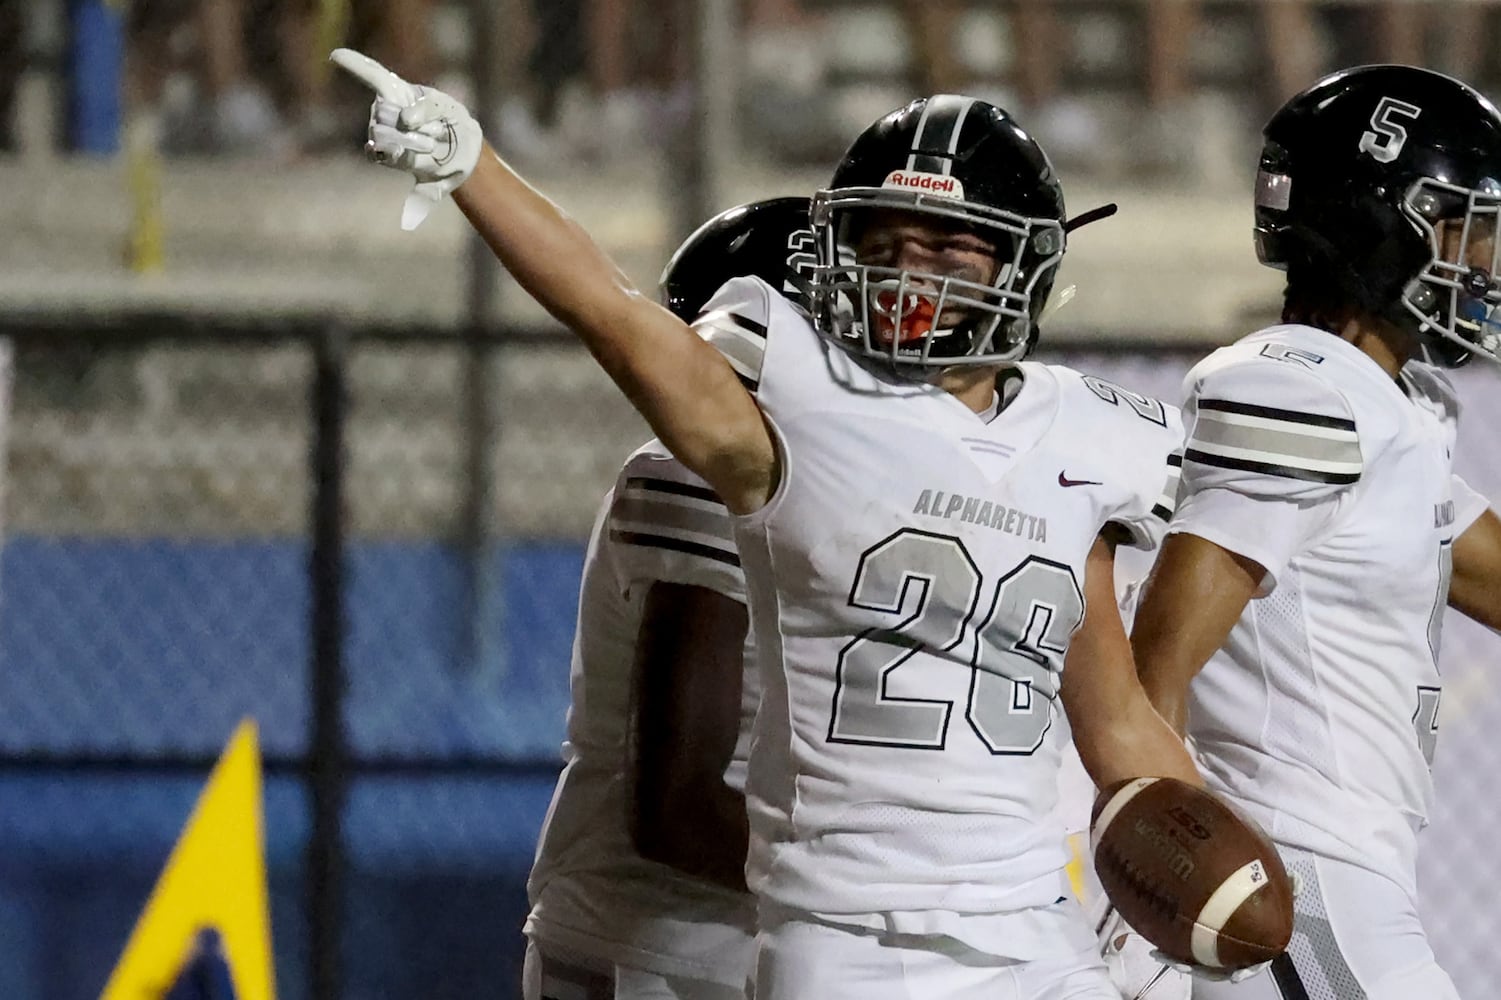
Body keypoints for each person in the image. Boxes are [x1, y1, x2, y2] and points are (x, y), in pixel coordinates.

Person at [332, 47, 1211, 996]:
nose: (907, 281)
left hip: (1029, 928)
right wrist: (476, 169)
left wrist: (1203, 860)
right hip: (827, 933)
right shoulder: (796, 399)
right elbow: (615, 314)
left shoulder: (1084, 437)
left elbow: (1117, 716)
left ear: (1025, 263)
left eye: (947, 249)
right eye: (883, 246)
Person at [1130, 64, 1501, 998]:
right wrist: (1164, 877)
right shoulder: (1298, 388)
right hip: (1289, 876)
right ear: (1380, 225)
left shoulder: (1386, 405)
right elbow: (1157, 664)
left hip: (1349, 875)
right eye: (1465, 229)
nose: (1486, 262)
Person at [522, 197, 813, 1000]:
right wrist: (865, 894)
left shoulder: (796, 482)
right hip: (666, 951)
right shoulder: (698, 473)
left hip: (717, 945)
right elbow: (677, 805)